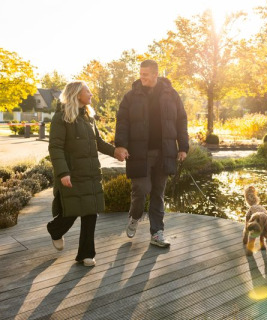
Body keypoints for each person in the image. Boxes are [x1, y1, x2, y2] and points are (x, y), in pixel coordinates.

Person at [47, 81, 124, 267]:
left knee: (91, 213)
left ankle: (86, 254)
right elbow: (55, 147)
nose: (91, 94)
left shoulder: (89, 117)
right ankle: (55, 229)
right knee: (71, 212)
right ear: (76, 94)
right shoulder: (61, 117)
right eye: (88, 91)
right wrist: (63, 173)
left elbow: (97, 141)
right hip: (72, 175)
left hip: (91, 174)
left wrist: (115, 152)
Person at [114, 59, 189, 248]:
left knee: (158, 193)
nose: (142, 77)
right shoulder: (130, 97)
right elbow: (122, 122)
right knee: (141, 190)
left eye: (145, 75)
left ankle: (157, 233)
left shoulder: (172, 95)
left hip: (165, 152)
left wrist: (183, 147)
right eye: (140, 74)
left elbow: (181, 120)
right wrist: (121, 145)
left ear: (155, 74)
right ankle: (135, 216)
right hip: (140, 153)